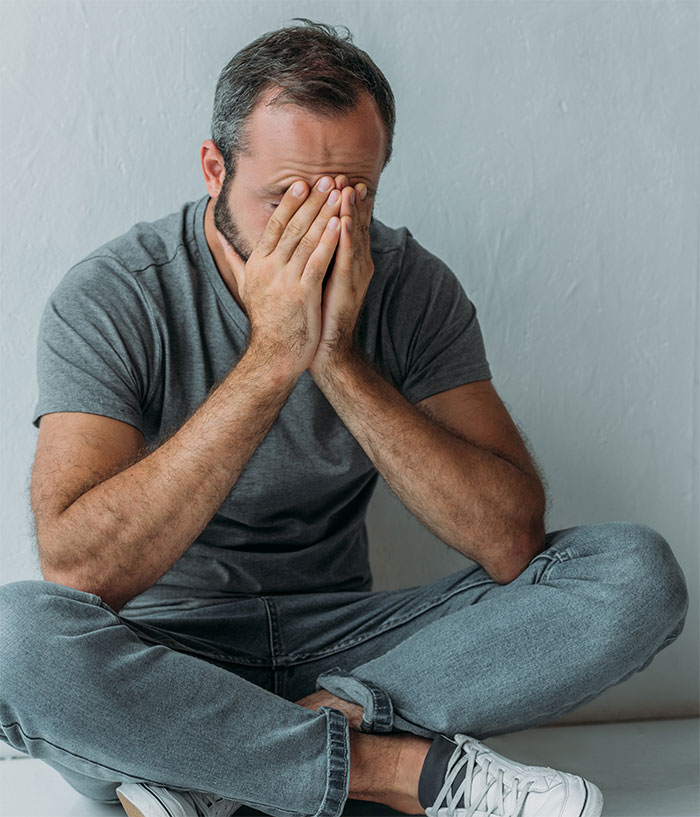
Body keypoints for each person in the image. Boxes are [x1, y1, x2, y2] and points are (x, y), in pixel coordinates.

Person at [0, 18, 689, 817]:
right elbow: (83, 571)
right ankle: (396, 772)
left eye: (347, 197)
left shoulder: (410, 285)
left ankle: (216, 767)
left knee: (633, 572)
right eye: (285, 198)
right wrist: (271, 358)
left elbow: (509, 542)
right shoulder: (117, 294)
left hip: (363, 655)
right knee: (17, 638)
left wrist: (336, 357)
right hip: (168, 659)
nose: (320, 229)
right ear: (214, 168)